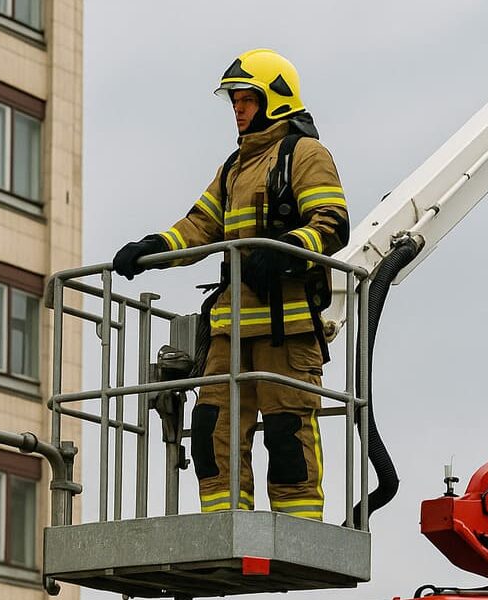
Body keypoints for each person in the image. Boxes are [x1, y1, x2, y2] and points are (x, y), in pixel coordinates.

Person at [112, 49, 350, 521]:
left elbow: (332, 223)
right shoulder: (234, 168)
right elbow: (199, 226)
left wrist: (281, 254)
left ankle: (297, 528)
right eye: (235, 100)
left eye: (246, 99)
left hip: (287, 327)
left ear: (275, 100)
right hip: (230, 329)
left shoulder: (305, 154)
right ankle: (225, 524)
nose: (238, 109)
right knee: (211, 428)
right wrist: (153, 247)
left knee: (287, 432)